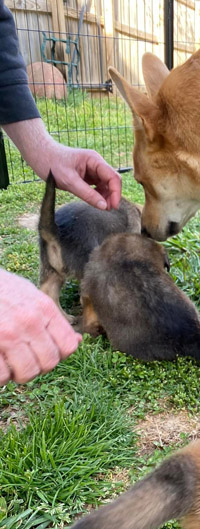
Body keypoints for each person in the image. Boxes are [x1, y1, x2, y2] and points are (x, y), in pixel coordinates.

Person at [0, 0, 122, 385]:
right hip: (72, 240)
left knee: (50, 271)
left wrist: (43, 147)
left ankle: (50, 294)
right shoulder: (124, 223)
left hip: (55, 234)